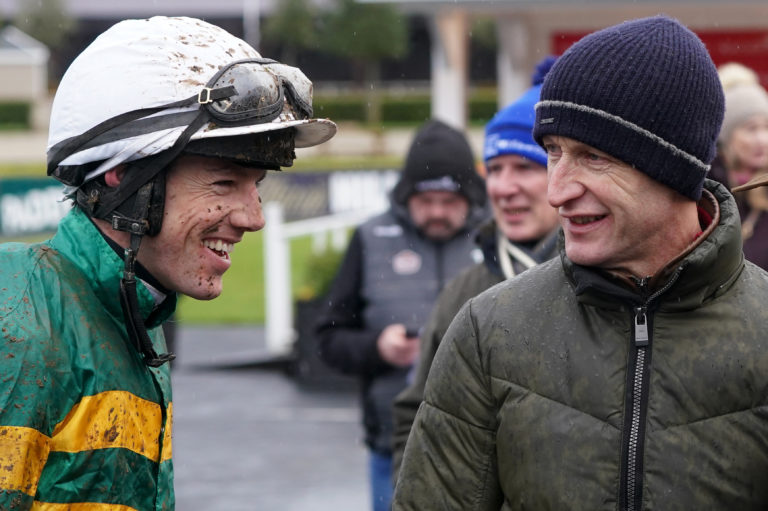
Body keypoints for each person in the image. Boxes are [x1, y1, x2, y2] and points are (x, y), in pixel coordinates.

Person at [393, 15, 768, 510]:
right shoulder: (489, 332)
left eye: (593, 156)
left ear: (673, 167)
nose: (557, 192)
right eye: (553, 151)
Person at [0, 16, 335, 511]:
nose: (254, 218)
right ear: (121, 174)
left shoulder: (137, 314)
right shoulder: (19, 326)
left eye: (256, 187)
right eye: (224, 183)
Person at [390, 57, 560, 480]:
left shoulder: (615, 281)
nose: (503, 188)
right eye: (495, 169)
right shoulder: (465, 291)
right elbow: (417, 419)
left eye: (525, 167)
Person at [316, 118, 488, 511]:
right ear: (405, 195)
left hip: (484, 449)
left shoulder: (499, 241)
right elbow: (326, 338)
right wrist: (378, 348)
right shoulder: (370, 238)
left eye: (450, 201)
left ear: (472, 196)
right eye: (426, 201)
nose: (437, 212)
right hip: (393, 446)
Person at [713, 79, 768, 270]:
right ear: (727, 136)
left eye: (767, 127)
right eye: (751, 128)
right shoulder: (709, 191)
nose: (762, 139)